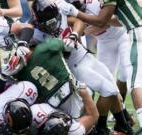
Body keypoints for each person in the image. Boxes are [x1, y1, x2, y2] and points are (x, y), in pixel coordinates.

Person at [24, 0, 134, 134]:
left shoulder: (61, 9)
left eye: (54, 21)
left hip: (85, 56)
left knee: (113, 88)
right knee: (108, 90)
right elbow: (24, 39)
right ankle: (101, 127)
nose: (53, 26)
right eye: (48, 24)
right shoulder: (32, 31)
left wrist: (74, 35)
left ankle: (122, 124)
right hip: (73, 65)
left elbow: (79, 21)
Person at [58, 0, 142, 134]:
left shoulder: (93, 3)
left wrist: (90, 25)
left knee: (125, 76)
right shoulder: (62, 10)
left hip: (121, 36)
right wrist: (85, 27)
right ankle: (117, 121)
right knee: (108, 87)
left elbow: (112, 22)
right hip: (100, 44)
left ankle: (119, 122)